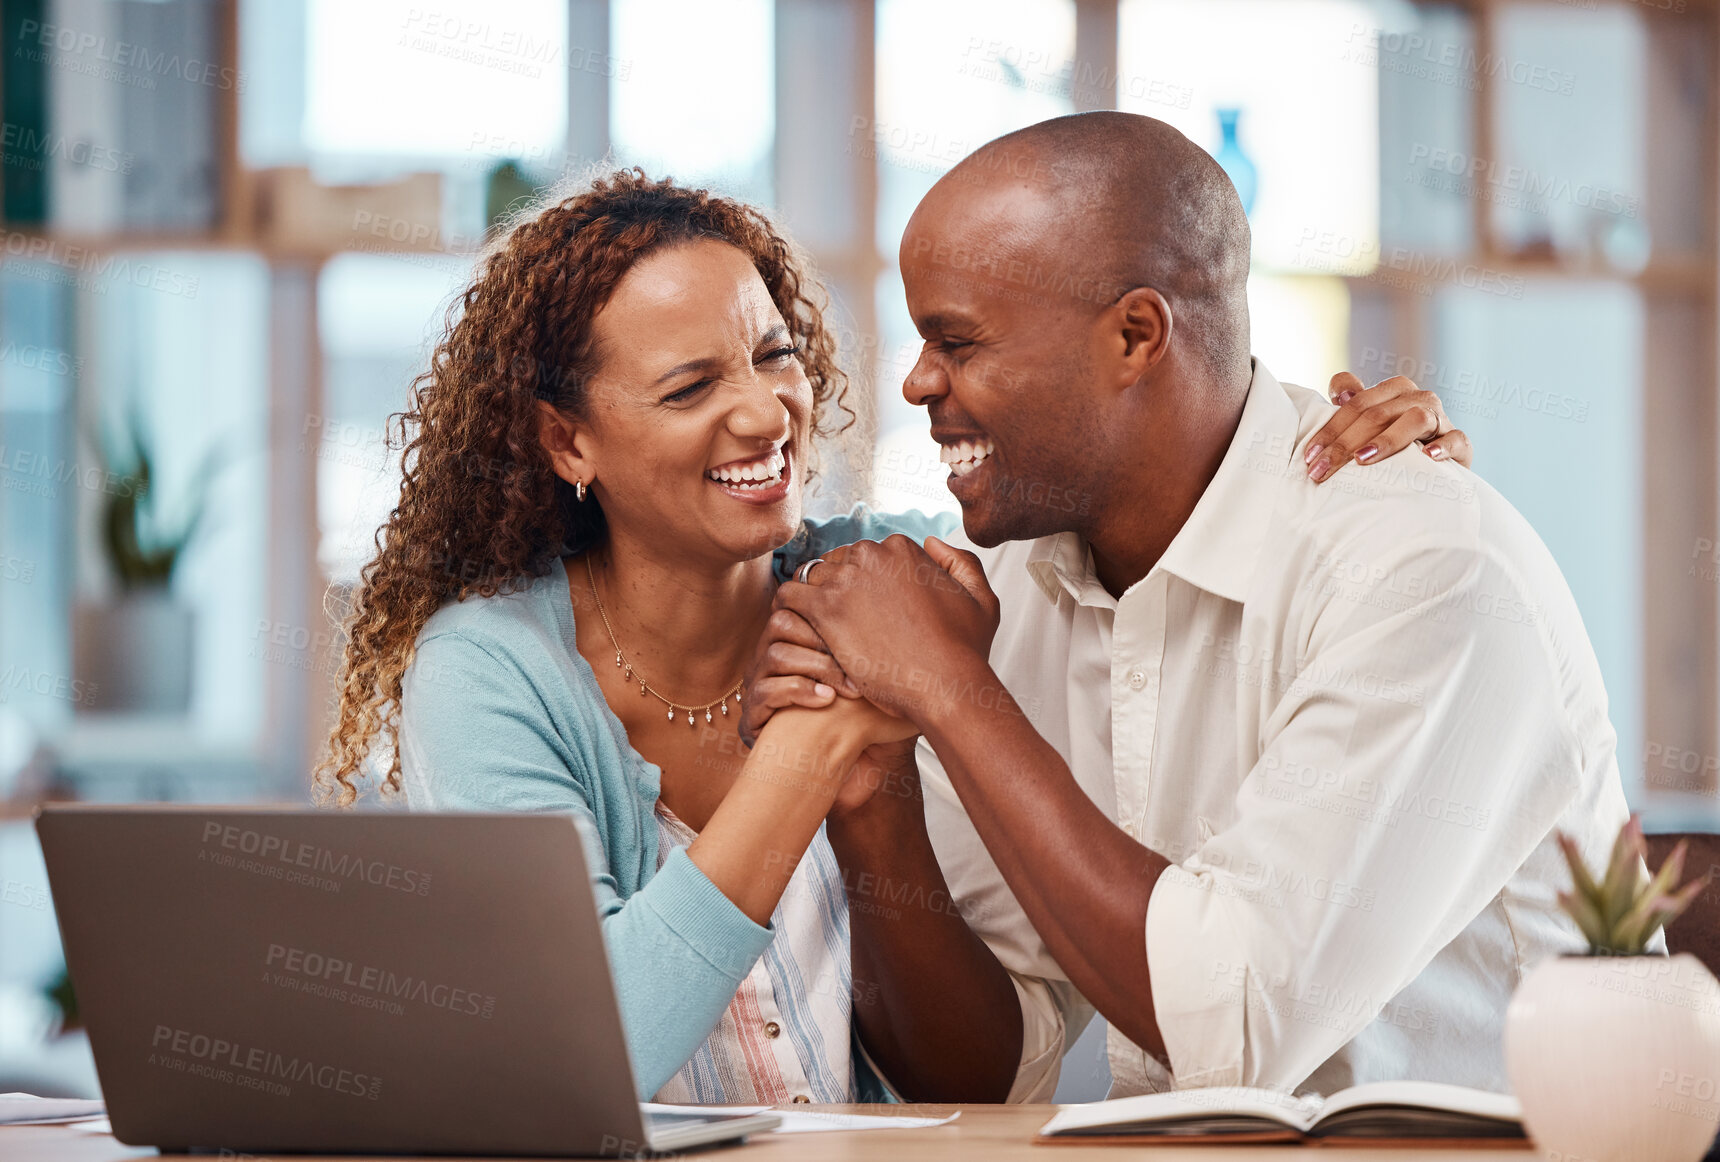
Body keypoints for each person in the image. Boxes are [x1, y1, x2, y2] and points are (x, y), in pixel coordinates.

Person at [314, 169, 1469, 1103]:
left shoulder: (900, 579)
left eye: (774, 354)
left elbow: (1136, 539)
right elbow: (594, 1044)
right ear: (568, 443)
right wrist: (815, 747)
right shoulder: (492, 670)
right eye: (688, 386)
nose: (766, 410)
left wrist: (1347, 471)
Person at [746, 111, 1629, 1100]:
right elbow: (984, 1067)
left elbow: (1236, 1031)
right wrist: (879, 796)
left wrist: (948, 691)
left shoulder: (1421, 566)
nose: (915, 381)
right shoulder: (1005, 581)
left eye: (955, 339)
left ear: (1135, 336)